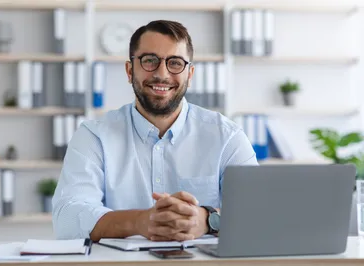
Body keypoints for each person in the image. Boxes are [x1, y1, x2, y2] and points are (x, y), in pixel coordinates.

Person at [52, 19, 258, 242]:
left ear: (189, 74)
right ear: (130, 70)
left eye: (176, 63)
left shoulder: (227, 137)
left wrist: (207, 220)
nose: (162, 74)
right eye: (150, 60)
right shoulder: (94, 136)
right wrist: (139, 221)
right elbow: (67, 218)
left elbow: (259, 213)